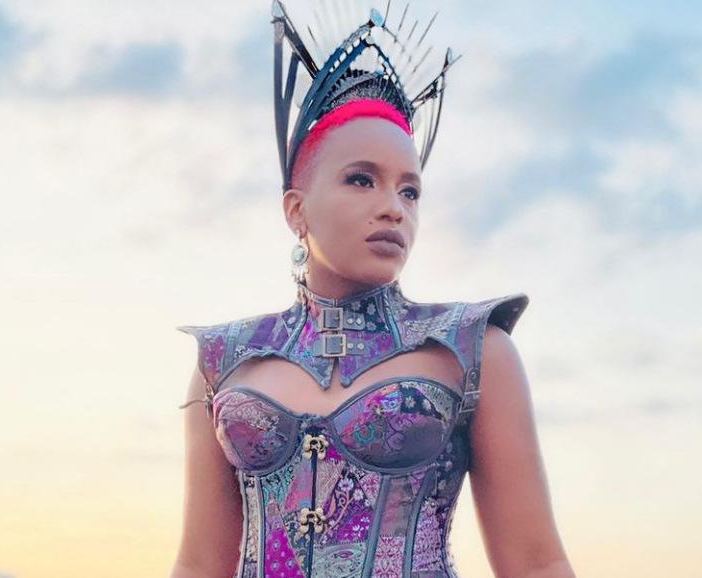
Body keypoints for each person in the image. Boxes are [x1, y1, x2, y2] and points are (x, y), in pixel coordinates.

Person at [171, 2, 575, 578]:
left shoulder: (472, 347)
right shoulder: (224, 358)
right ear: (296, 209)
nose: (393, 207)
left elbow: (536, 564)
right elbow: (197, 565)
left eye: (410, 191)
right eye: (361, 179)